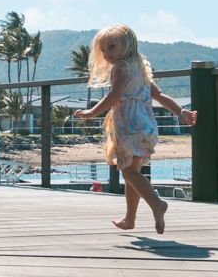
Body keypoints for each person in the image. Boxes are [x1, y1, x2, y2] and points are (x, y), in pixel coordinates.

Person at [73, 24, 198, 233]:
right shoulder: (140, 68)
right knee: (134, 173)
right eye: (103, 50)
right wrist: (180, 111)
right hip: (146, 126)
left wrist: (91, 112)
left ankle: (157, 204)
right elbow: (158, 95)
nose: (107, 53)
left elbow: (113, 96)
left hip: (129, 126)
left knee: (128, 172)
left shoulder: (121, 68)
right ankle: (130, 218)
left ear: (127, 45)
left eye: (111, 47)